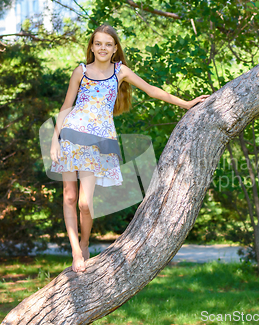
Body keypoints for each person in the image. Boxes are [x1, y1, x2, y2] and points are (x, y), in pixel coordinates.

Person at [50, 24, 209, 273]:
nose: (103, 48)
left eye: (108, 44)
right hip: (71, 137)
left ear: (115, 49)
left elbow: (152, 90)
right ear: (92, 46)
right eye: (98, 43)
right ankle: (75, 252)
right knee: (68, 196)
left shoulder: (119, 71)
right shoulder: (80, 71)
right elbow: (65, 106)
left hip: (99, 142)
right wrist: (54, 141)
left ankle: (85, 241)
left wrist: (186, 103)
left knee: (84, 203)